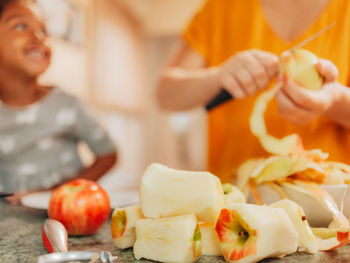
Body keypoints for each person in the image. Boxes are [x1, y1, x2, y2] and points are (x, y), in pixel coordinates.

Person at [157, 0, 350, 183]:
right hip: (235, 196)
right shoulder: (221, 7)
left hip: (327, 195)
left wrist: (334, 100)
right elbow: (165, 94)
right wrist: (218, 77)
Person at [0, 0, 117, 199]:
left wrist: (64, 192)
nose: (39, 37)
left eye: (44, 30)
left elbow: (108, 155)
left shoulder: (68, 106)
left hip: (64, 218)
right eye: (21, 25)